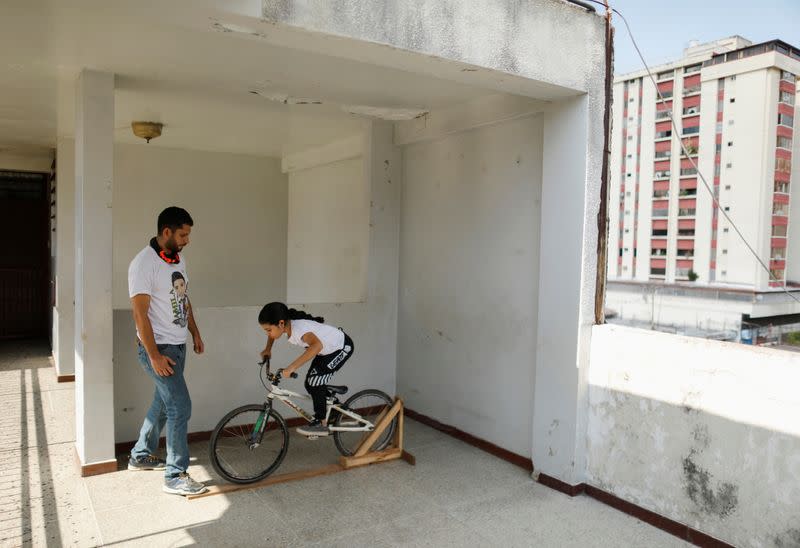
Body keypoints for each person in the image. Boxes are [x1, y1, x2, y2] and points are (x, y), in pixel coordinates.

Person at [127, 206, 207, 496]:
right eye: (183, 234)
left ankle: (140, 454)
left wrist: (195, 333)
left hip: (177, 345)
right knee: (180, 406)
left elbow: (183, 299)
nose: (187, 240)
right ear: (166, 232)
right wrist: (154, 356)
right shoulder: (143, 264)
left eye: (188, 234)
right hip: (157, 348)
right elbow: (140, 315)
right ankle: (175, 475)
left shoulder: (178, 260)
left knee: (163, 404)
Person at [258, 302, 354, 436]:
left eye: (268, 329)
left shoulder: (299, 330)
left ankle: (321, 423)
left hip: (341, 347)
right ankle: (335, 409)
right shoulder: (286, 325)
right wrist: (268, 349)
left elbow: (316, 346)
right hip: (325, 351)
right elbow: (273, 334)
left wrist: (291, 367)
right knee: (310, 384)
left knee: (314, 381)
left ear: (281, 323)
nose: (268, 333)